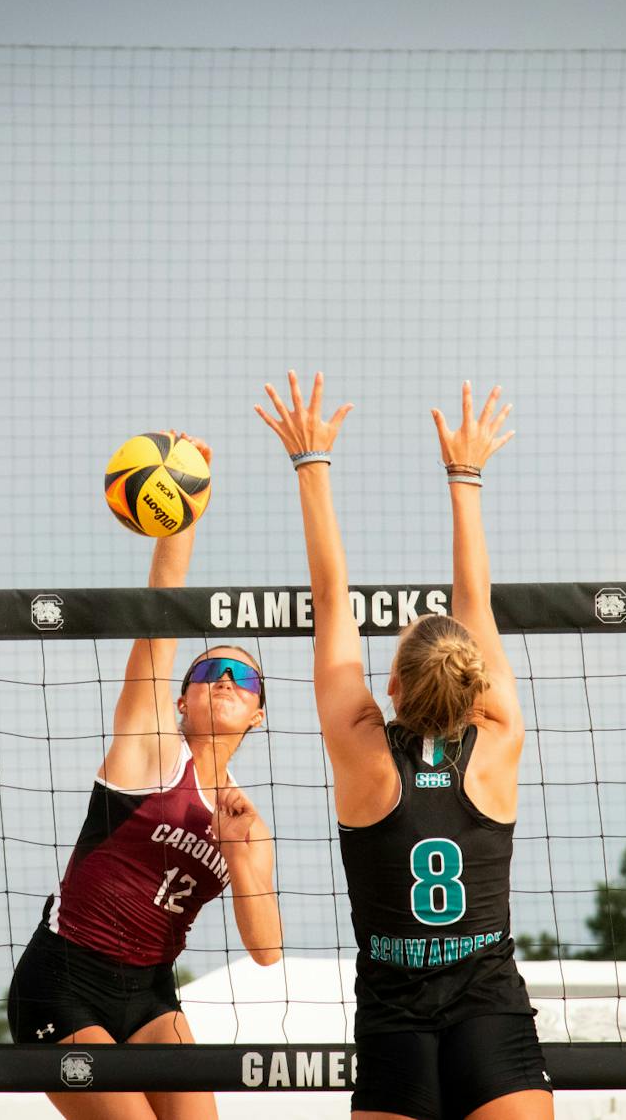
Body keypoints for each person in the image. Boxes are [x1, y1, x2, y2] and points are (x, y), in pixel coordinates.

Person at [257, 374, 551, 1120]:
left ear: (390, 683)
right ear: (476, 685)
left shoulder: (362, 752)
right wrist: (466, 474)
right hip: (491, 1007)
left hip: (395, 1020)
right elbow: (474, 601)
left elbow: (331, 598)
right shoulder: (499, 741)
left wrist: (311, 462)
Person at [7, 433, 283, 1120]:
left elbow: (268, 950)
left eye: (241, 676)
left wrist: (245, 861)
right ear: (179, 701)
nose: (222, 678)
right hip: (66, 979)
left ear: (258, 715)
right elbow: (160, 616)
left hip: (152, 991)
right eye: (206, 672)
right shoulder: (151, 752)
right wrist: (184, 508)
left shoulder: (245, 818)